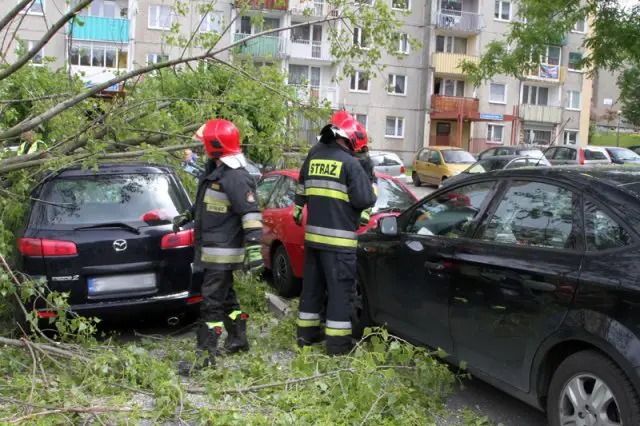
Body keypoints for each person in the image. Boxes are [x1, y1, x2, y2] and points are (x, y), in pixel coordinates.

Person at [173, 119, 264, 375]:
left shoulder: (235, 176)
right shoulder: (216, 171)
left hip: (222, 252)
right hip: (214, 249)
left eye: (205, 143)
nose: (202, 147)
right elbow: (207, 203)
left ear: (215, 145)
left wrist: (254, 249)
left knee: (211, 304)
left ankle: (205, 358)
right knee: (227, 298)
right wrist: (188, 215)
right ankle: (238, 339)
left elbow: (251, 214)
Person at [292, 118, 377, 355]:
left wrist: (299, 205)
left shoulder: (313, 157)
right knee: (340, 293)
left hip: (313, 240)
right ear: (349, 140)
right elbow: (365, 199)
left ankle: (306, 336)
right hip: (339, 244)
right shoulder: (350, 163)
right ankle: (338, 347)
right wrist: (369, 179)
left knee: (312, 289)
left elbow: (301, 187)